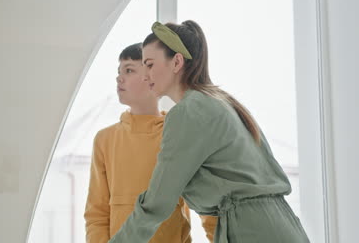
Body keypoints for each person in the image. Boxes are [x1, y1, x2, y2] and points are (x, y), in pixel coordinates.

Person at [108, 21, 310, 243]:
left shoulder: (188, 113)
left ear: (176, 62)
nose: (145, 75)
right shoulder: (221, 102)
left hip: (254, 231)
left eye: (149, 64)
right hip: (279, 225)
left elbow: (157, 203)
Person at [84, 43, 217, 243]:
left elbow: (208, 208)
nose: (119, 77)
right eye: (119, 71)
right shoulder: (105, 140)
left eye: (129, 70)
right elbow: (97, 214)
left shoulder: (177, 134)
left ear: (151, 77)